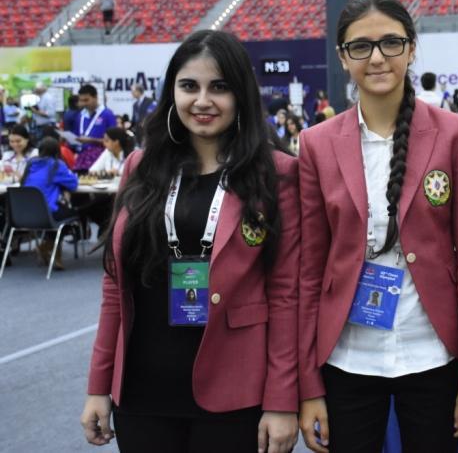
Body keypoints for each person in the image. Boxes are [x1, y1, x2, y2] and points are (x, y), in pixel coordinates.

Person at [80, 30, 300, 452]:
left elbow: (286, 296)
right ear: (172, 93)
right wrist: (98, 385)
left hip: (235, 392)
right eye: (189, 86)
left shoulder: (278, 175)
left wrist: (281, 401)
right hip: (141, 391)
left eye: (219, 87)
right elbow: (114, 287)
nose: (202, 100)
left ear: (241, 94)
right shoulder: (140, 167)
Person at [297, 0, 458, 453]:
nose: (377, 58)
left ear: (411, 49)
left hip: (434, 350)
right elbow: (309, 270)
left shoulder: (456, 134)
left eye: (391, 43)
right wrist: (309, 387)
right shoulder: (316, 143)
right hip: (347, 355)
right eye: (361, 46)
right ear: (343, 57)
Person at [21, 137, 78, 269]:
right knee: (72, 216)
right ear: (58, 151)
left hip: (24, 214)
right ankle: (46, 247)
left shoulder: (30, 164)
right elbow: (73, 184)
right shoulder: (56, 165)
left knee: (58, 214)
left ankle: (52, 253)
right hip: (46, 213)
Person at [73, 84, 118, 171]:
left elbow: (115, 141)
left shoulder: (107, 114)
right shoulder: (80, 116)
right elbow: (77, 136)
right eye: (81, 100)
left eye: (86, 100)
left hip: (102, 158)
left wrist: (92, 140)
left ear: (96, 97)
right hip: (81, 158)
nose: (83, 104)